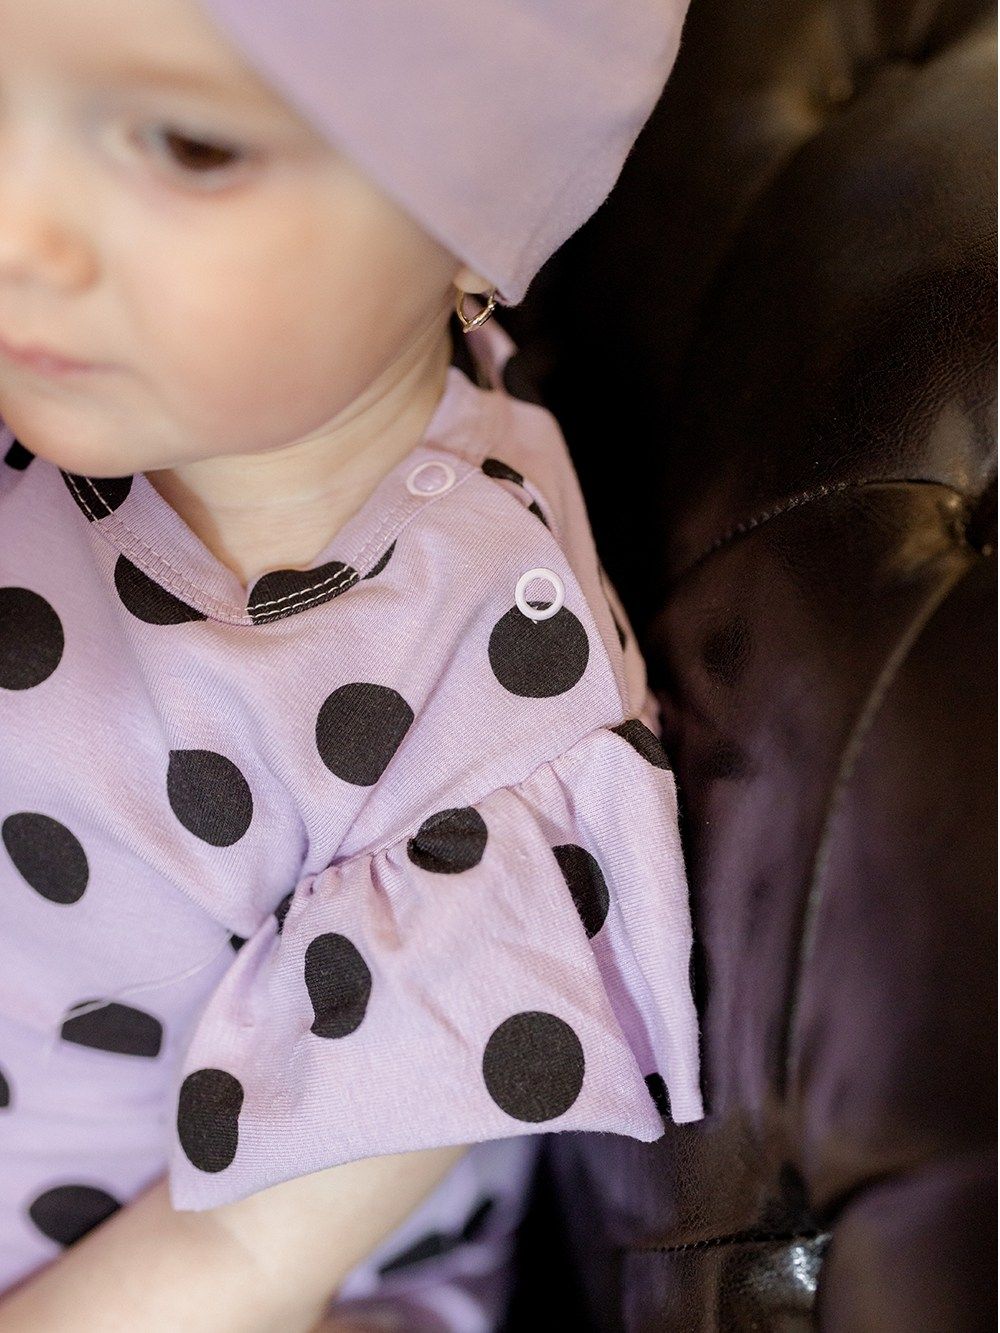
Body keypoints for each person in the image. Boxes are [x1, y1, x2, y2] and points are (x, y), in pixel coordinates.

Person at [0, 0, 701, 1328]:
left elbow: (241, 1260)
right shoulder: (75, 375)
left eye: (188, 146)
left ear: (477, 209)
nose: (15, 229)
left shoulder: (479, 716)